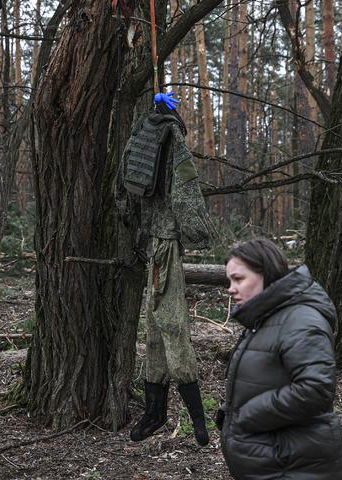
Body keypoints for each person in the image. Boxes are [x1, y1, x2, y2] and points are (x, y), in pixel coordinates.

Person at [123, 97, 215, 446]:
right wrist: (201, 232)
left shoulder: (141, 132)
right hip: (164, 245)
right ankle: (193, 421)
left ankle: (157, 413)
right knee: (171, 327)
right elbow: (186, 189)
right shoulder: (172, 137)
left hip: (152, 242)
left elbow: (125, 178)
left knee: (158, 328)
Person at [217, 238, 342, 478]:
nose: (230, 288)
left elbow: (316, 389)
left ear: (266, 274)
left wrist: (246, 416)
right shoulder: (266, 318)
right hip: (276, 463)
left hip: (296, 467)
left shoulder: (301, 321)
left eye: (238, 279)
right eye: (229, 280)